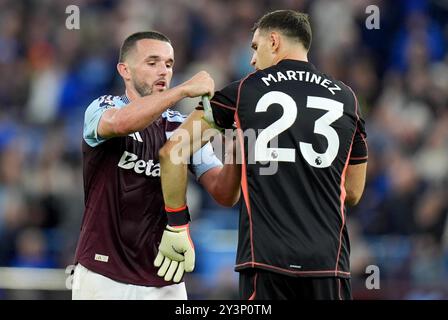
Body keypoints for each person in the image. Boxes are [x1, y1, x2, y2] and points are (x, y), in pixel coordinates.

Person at [158, 10, 368, 300]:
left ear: (274, 41)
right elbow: (354, 192)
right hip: (328, 261)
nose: (253, 60)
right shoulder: (347, 98)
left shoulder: (244, 91)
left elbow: (173, 151)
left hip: (267, 261)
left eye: (255, 48)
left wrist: (177, 224)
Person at [72, 31, 241, 300]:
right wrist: (182, 91)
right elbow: (120, 124)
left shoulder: (180, 127)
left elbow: (223, 193)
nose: (163, 70)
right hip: (102, 272)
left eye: (169, 64)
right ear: (124, 70)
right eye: (152, 63)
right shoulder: (102, 107)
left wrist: (237, 153)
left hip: (164, 275)